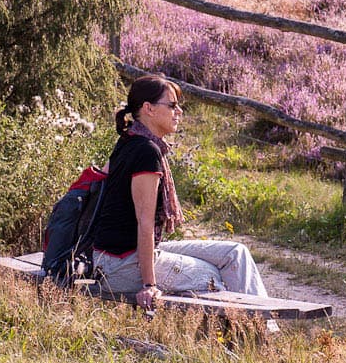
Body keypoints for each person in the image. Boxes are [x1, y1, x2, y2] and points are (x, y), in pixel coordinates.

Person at [90, 74, 269, 312]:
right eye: (172, 105)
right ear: (149, 108)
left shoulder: (129, 140)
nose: (179, 112)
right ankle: (255, 334)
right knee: (213, 276)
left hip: (117, 257)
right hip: (120, 264)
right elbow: (143, 223)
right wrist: (149, 284)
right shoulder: (145, 152)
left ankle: (264, 327)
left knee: (235, 254)